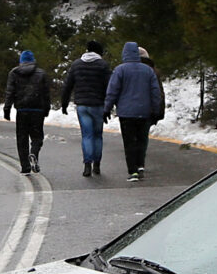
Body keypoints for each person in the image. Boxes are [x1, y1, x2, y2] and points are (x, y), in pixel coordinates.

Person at [104, 41, 167, 183]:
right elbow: (155, 92)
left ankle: (132, 171)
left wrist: (107, 108)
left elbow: (112, 91)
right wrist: (156, 110)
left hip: (126, 113)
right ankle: (140, 165)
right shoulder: (148, 71)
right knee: (142, 140)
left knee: (129, 142)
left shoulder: (120, 70)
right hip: (144, 112)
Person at [57, 41, 111, 177]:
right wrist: (109, 106)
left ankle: (87, 165)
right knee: (98, 136)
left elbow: (68, 85)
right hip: (98, 105)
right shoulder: (103, 65)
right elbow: (110, 86)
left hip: (82, 106)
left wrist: (64, 103)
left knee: (87, 135)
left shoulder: (77, 64)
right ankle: (97, 165)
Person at [2, 49, 52, 174]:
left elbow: (10, 92)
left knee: (22, 138)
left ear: (21, 61)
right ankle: (33, 153)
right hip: (37, 110)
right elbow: (46, 94)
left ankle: (25, 166)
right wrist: (46, 108)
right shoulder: (41, 74)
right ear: (33, 60)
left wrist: (7, 108)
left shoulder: (14, 73)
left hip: (22, 110)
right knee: (37, 137)